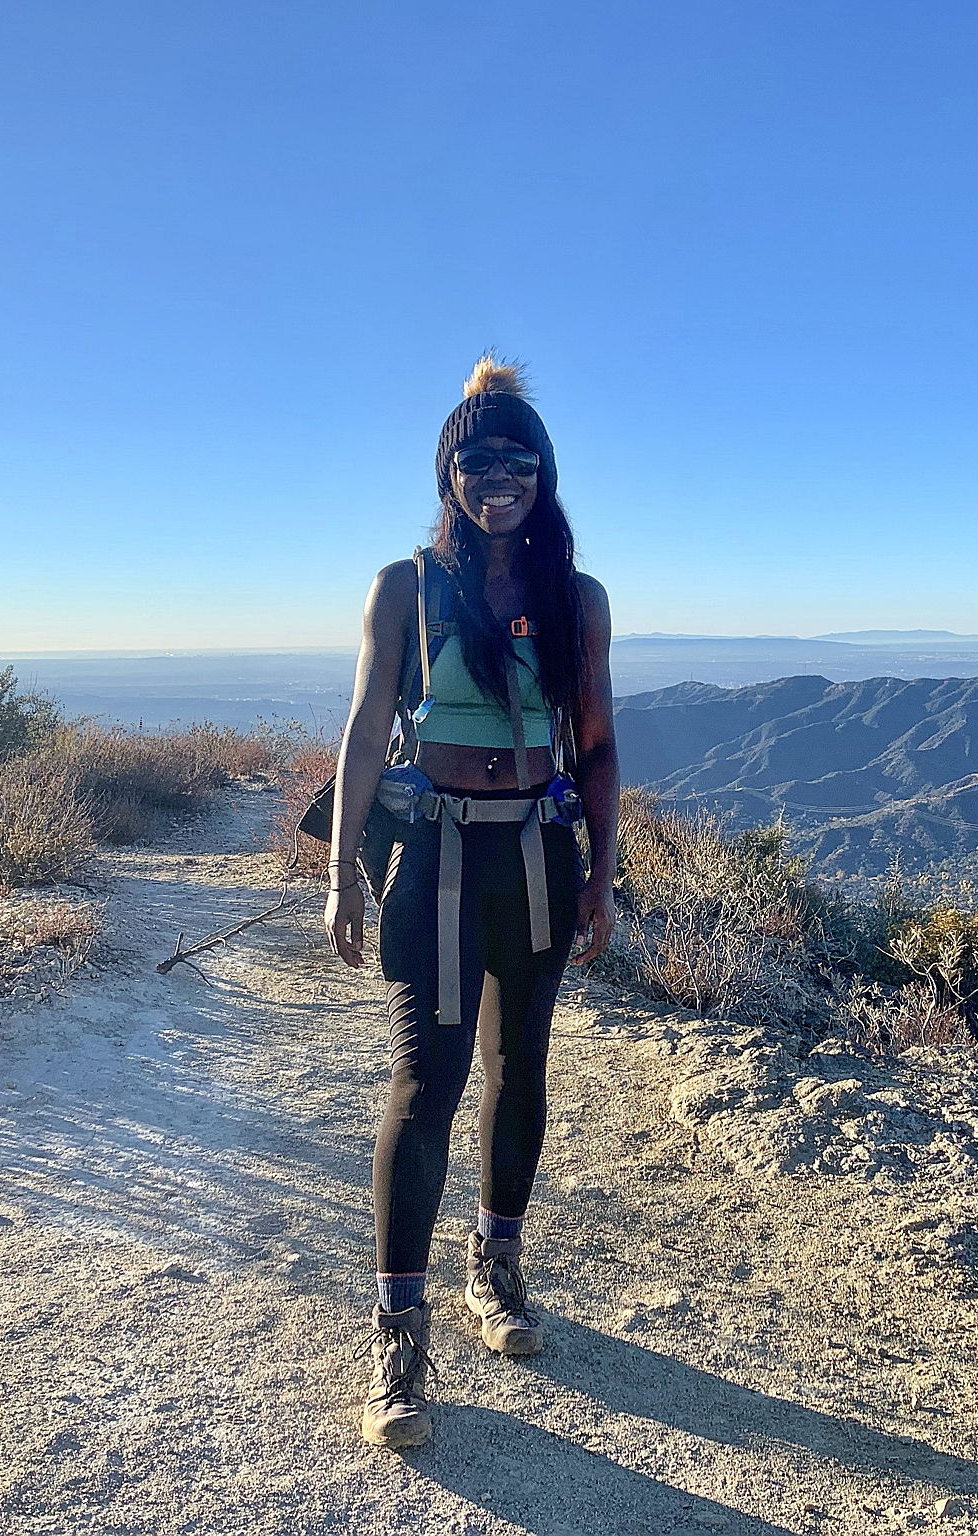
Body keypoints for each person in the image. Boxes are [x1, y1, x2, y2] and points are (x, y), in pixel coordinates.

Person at [323, 353, 619, 1449]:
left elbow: (593, 746)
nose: (498, 480)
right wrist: (341, 871)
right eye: (476, 461)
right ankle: (397, 1332)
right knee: (424, 1082)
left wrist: (600, 871)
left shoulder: (572, 599)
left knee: (521, 1067)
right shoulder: (405, 586)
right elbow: (364, 730)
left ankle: (494, 1269)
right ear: (446, 471)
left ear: (543, 473)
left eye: (517, 462)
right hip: (436, 858)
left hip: (534, 855)